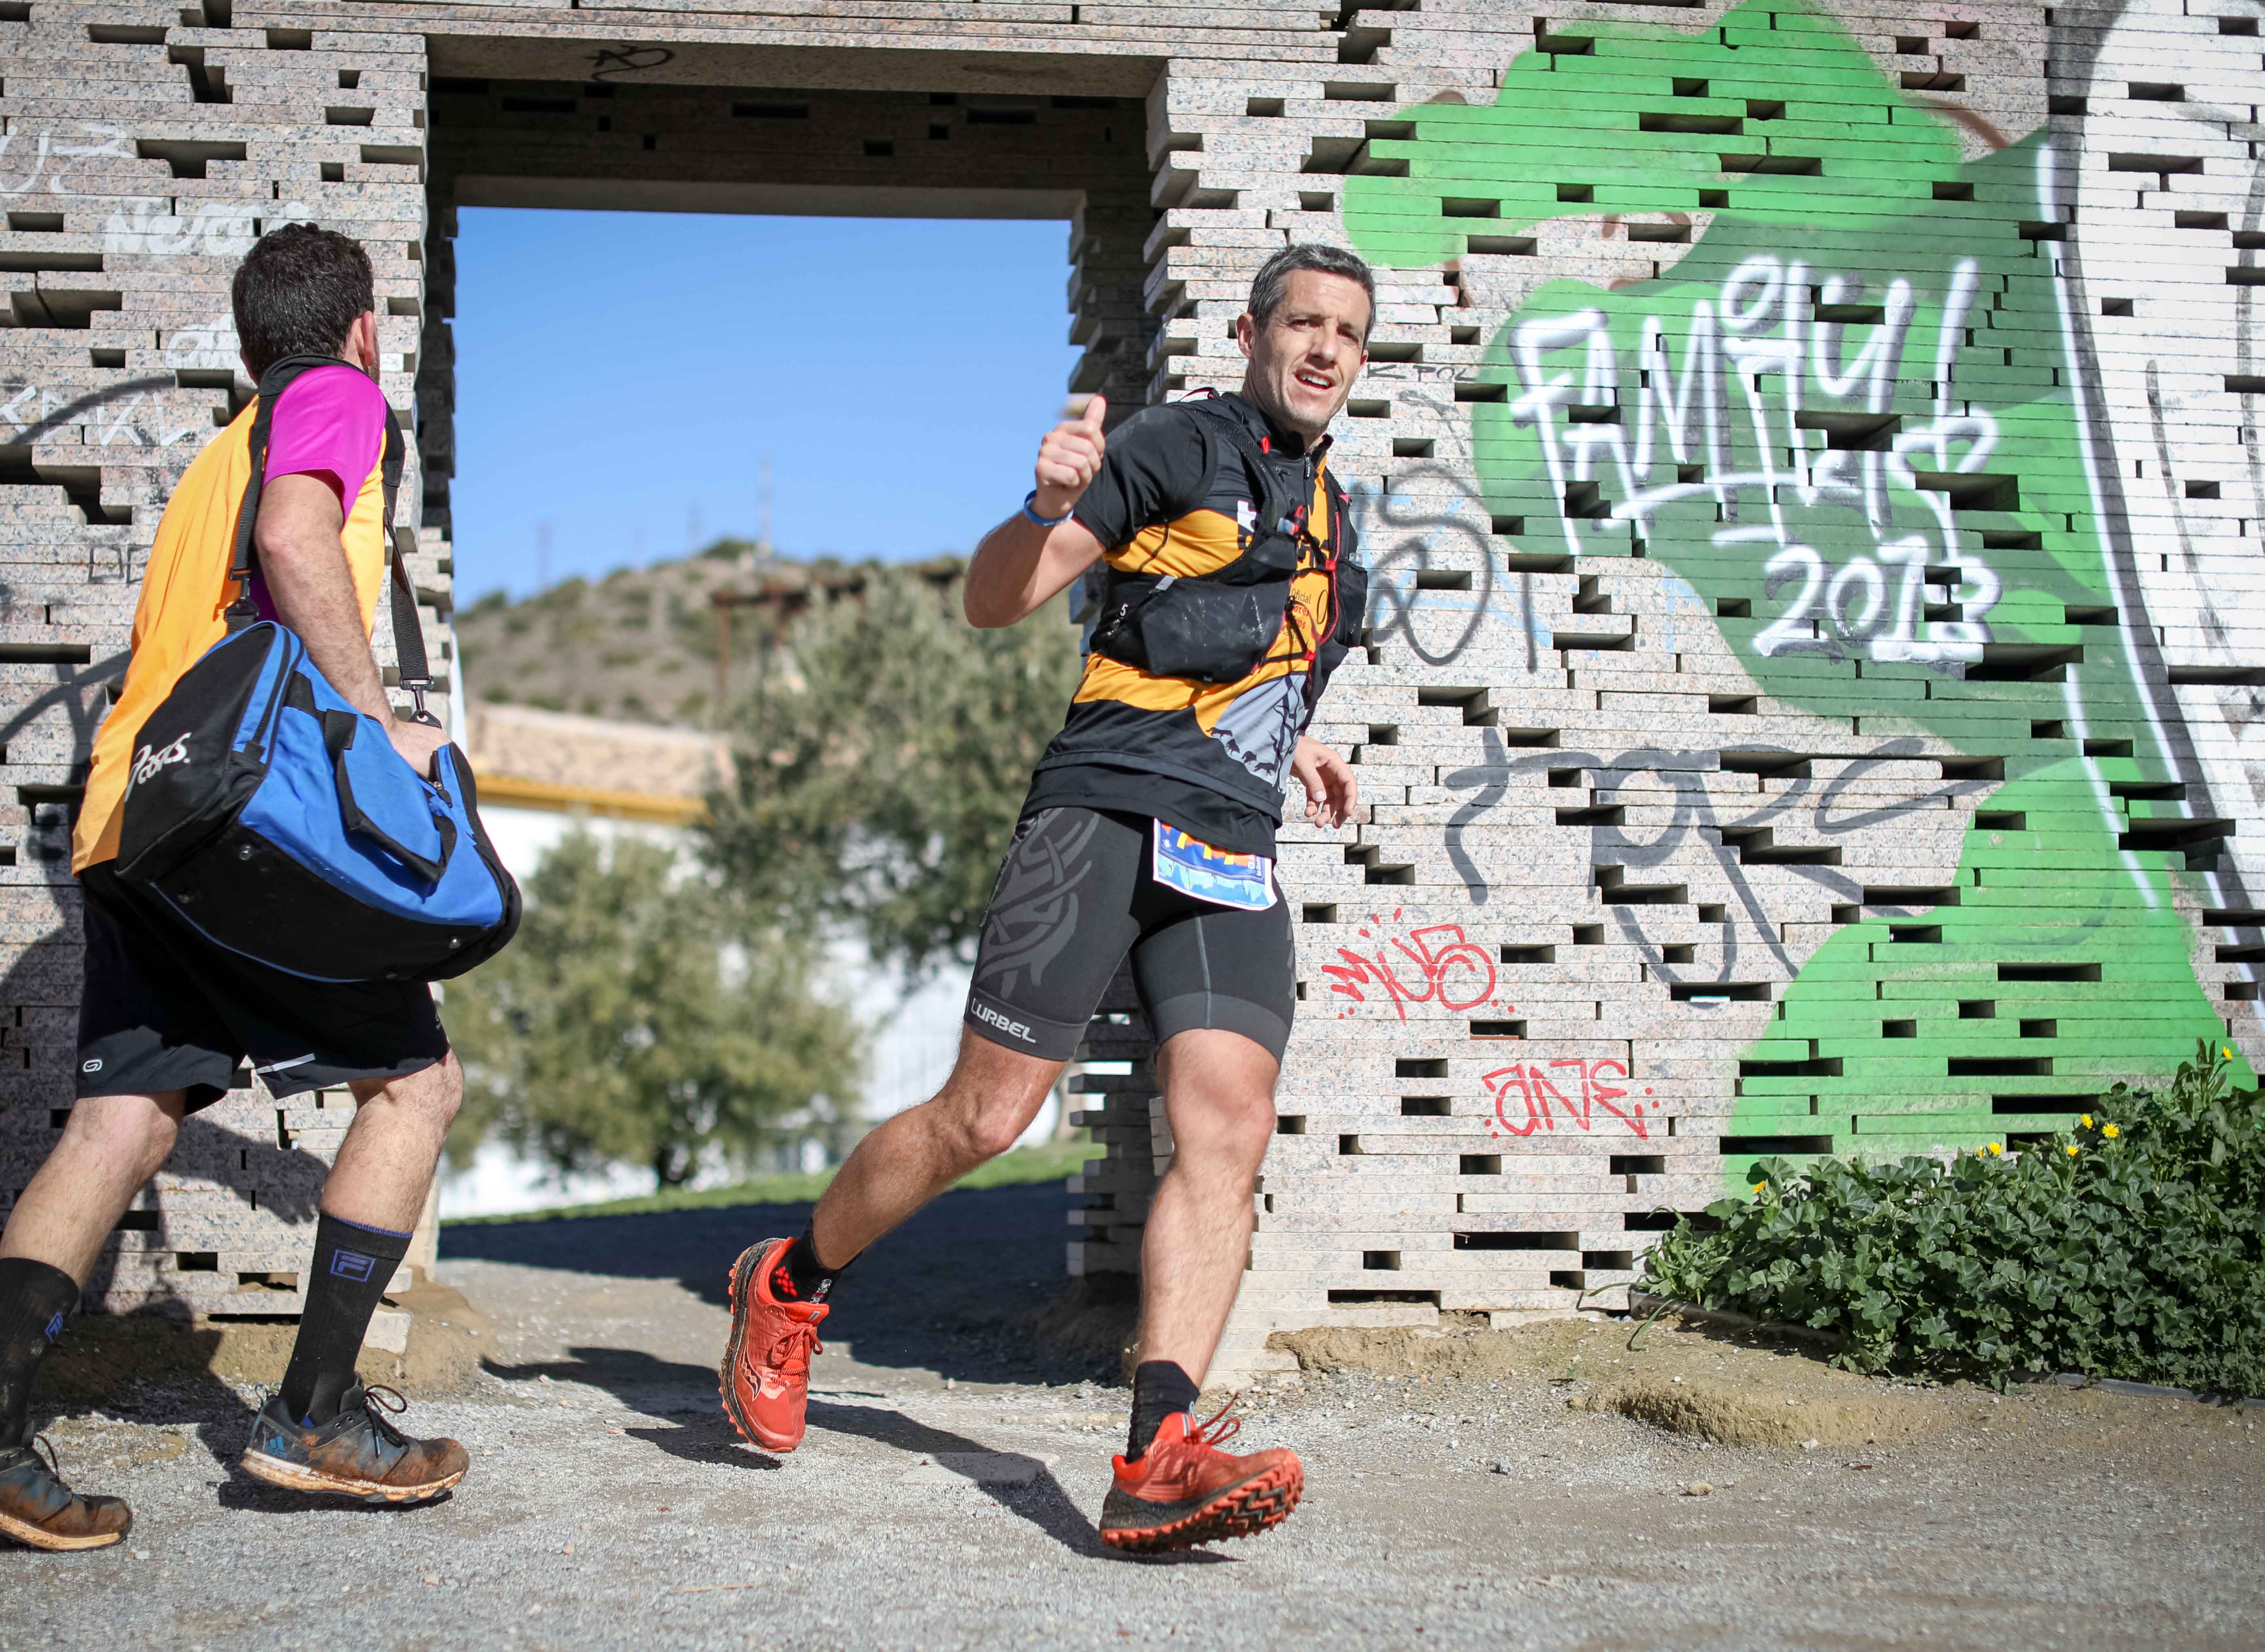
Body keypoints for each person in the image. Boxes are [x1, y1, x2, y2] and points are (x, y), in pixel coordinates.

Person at [721, 242, 1373, 1551]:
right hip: (1098, 809)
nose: (1323, 350)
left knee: (1228, 1125)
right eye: (1301, 323)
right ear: (1254, 334)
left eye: (1347, 335)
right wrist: (1036, 506)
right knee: (987, 1116)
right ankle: (789, 1282)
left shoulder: (1337, 522)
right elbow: (991, 599)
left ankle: (1157, 1451)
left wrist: (1295, 738)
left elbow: (1258, 668)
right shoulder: (1175, 449)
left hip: (1228, 844)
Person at [0, 225, 469, 1552]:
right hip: (235, 824)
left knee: (122, 1125)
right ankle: (315, 1410)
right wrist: (375, 736)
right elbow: (298, 531)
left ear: (248, 340)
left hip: (130, 817)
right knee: (418, 1087)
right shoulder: (336, 398)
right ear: (361, 330)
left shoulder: (225, 442)